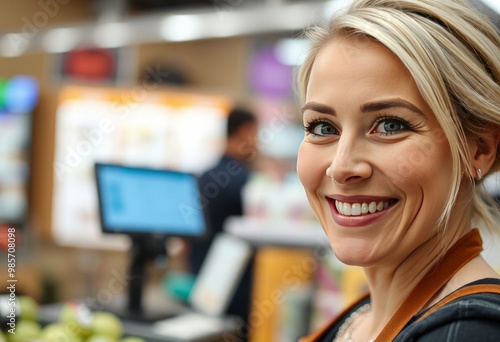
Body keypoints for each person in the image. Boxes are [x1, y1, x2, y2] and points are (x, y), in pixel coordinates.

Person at [296, 0, 500, 341]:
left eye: (390, 125)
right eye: (322, 128)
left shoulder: (469, 332)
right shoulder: (364, 315)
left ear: (478, 149)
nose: (342, 167)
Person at [187, 107, 258, 326]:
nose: (257, 143)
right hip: (237, 288)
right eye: (256, 135)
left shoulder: (203, 176)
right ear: (246, 132)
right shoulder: (247, 183)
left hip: (202, 281)